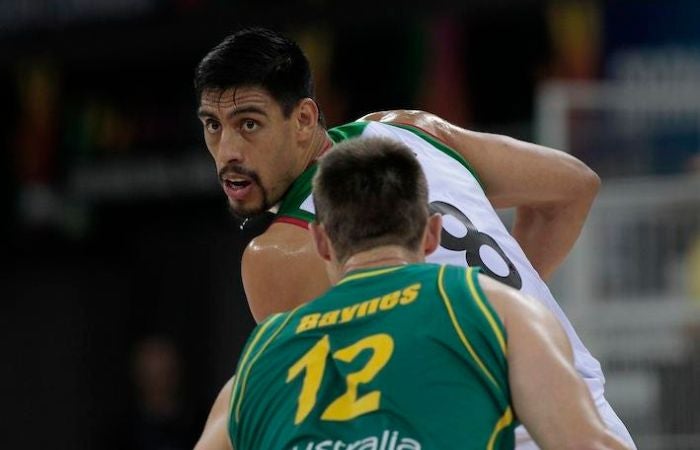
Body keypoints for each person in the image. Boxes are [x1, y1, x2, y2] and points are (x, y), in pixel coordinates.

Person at [194, 28, 635, 449]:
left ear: (305, 118)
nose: (228, 150)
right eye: (213, 126)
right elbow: (575, 185)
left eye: (248, 124)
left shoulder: (279, 251)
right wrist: (500, 296)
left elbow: (334, 411)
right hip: (589, 412)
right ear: (430, 236)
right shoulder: (411, 130)